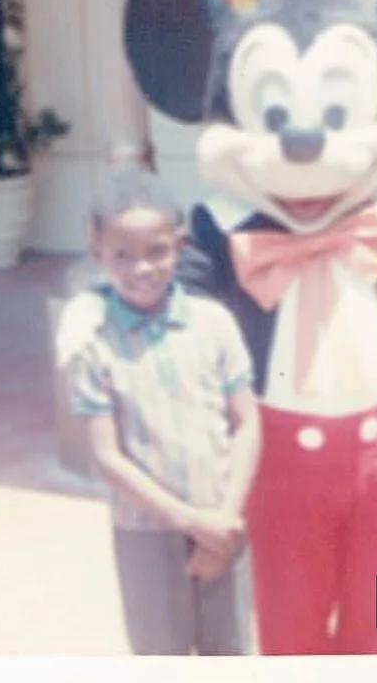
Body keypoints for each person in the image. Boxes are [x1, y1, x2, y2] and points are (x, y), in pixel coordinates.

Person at [57, 167, 262, 655]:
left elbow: (248, 422)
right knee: (161, 663)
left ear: (180, 246)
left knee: (229, 660)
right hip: (145, 533)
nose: (141, 269)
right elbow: (107, 458)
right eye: (122, 256)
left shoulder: (213, 324)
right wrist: (192, 522)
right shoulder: (93, 342)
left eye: (157, 252)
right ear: (97, 254)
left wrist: (224, 517)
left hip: (222, 521)